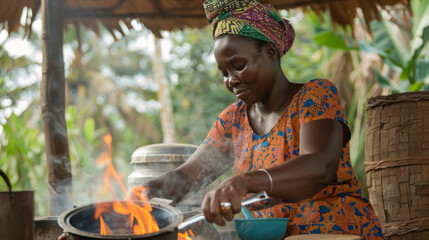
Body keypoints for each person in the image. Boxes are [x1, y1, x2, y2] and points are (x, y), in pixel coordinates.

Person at [130, 0, 384, 239]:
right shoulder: (232, 119)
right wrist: (145, 193)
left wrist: (246, 180)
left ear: (270, 52)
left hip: (337, 233)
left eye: (238, 66)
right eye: (224, 73)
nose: (231, 80)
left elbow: (320, 167)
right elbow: (189, 177)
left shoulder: (315, 95)